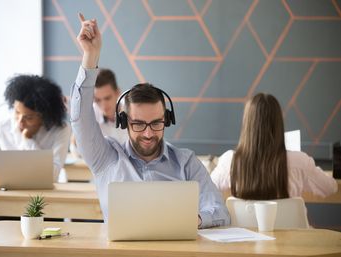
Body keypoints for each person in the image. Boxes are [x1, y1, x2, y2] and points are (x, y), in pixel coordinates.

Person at [70, 13, 230, 228]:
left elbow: (220, 212)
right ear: (125, 122)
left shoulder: (186, 162)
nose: (148, 133)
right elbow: (80, 120)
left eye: (156, 123)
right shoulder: (105, 158)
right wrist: (90, 55)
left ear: (167, 119)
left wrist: (195, 220)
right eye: (138, 124)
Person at [211, 93, 338, 199]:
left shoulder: (230, 161)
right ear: (278, 124)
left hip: (246, 230)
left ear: (247, 124)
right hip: (293, 229)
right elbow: (331, 187)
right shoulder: (300, 162)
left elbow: (205, 190)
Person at [0, 75, 71, 182]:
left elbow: (52, 174)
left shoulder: (60, 130)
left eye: (29, 117)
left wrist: (27, 140)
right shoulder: (2, 127)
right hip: (7, 193)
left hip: (44, 196)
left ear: (45, 116)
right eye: (17, 112)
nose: (20, 121)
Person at [70, 68, 128, 157]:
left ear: (118, 92)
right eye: (97, 100)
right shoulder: (90, 113)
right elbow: (74, 145)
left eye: (107, 98)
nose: (103, 105)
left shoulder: (132, 110)